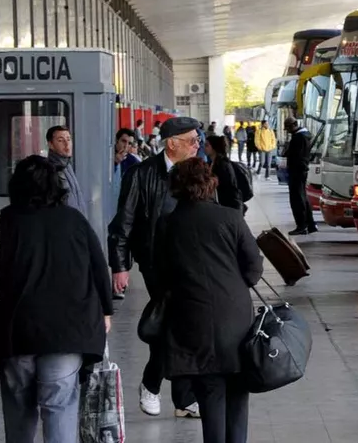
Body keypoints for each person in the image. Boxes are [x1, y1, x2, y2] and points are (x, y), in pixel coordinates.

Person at [0, 155, 113, 443]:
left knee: (18, 411)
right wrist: (105, 311)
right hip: (66, 331)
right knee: (59, 406)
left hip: (18, 331)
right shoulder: (73, 219)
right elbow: (99, 266)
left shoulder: (9, 220)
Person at [157, 158, 262, 443]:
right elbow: (254, 268)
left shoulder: (168, 224)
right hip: (235, 317)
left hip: (192, 318)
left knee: (210, 391)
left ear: (176, 187)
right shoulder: (231, 217)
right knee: (238, 390)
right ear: (210, 183)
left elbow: (161, 273)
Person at [107, 116, 201, 419]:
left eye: (198, 140)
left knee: (182, 325)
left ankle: (180, 398)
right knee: (172, 321)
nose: (197, 145)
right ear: (172, 144)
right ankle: (154, 385)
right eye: (192, 140)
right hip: (156, 262)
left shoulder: (197, 171)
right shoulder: (141, 174)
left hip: (192, 262)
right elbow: (123, 223)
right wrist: (120, 266)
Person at [46, 126, 87, 219]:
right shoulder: (52, 170)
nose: (66, 144)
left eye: (68, 139)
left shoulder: (67, 165)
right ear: (50, 144)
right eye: (60, 140)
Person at [285, 118, 317, 235]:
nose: (288, 131)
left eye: (288, 128)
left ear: (294, 125)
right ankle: (310, 224)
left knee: (297, 199)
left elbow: (296, 155)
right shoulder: (304, 136)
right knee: (302, 197)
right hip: (301, 170)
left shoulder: (299, 138)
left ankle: (301, 225)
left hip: (297, 171)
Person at [205, 135, 243, 211]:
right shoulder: (212, 162)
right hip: (222, 203)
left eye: (207, 145)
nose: (204, 147)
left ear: (214, 147)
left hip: (229, 205)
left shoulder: (222, 165)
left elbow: (225, 186)